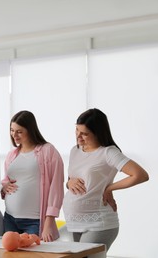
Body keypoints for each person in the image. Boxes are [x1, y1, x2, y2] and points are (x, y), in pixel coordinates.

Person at [63, 108, 149, 252]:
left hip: (98, 223)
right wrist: (68, 182)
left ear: (98, 133)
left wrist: (109, 188)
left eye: (84, 134)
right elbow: (72, 178)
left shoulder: (108, 152)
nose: (79, 137)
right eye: (77, 130)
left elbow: (140, 175)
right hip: (74, 222)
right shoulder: (75, 150)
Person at [1, 110, 64, 242]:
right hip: (10, 218)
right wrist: (4, 187)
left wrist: (48, 223)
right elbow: (7, 179)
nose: (14, 135)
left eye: (19, 131)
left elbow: (56, 186)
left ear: (30, 130)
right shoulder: (12, 154)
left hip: (35, 221)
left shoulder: (47, 151)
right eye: (12, 130)